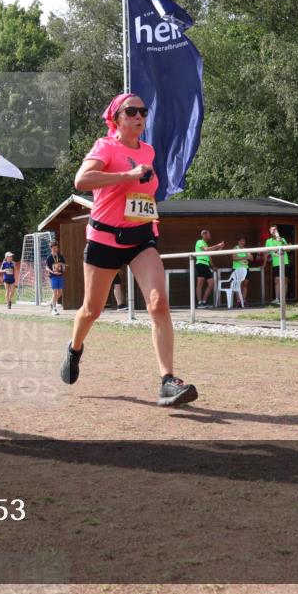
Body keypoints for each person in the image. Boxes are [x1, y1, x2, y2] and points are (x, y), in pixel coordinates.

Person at [60, 93, 198, 407]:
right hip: (104, 239)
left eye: (143, 111)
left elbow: (143, 194)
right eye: (131, 111)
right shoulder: (105, 146)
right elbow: (82, 180)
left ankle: (167, 381)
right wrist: (127, 175)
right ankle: (74, 348)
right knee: (92, 310)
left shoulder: (148, 150)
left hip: (141, 237)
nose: (139, 116)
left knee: (158, 303)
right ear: (116, 118)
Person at [194, 229, 225, 308]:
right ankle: (199, 303)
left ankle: (204, 302)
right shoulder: (199, 241)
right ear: (204, 235)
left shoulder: (206, 243)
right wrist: (218, 246)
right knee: (200, 284)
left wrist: (213, 266)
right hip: (200, 264)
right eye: (208, 234)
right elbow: (206, 249)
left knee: (211, 284)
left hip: (206, 265)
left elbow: (210, 255)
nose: (210, 235)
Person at [265, 224, 290, 305]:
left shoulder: (282, 239)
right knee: (277, 281)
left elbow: (288, 249)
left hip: (284, 262)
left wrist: (281, 240)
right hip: (276, 263)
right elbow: (267, 253)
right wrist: (265, 262)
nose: (274, 231)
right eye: (272, 230)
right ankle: (277, 299)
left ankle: (283, 299)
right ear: (270, 231)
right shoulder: (268, 241)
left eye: (275, 229)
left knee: (284, 280)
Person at [45, 240, 66, 315]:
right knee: (55, 292)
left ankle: (51, 303)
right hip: (53, 276)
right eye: (54, 248)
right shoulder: (49, 257)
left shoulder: (60, 256)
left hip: (60, 276)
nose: (55, 249)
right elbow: (46, 267)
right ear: (51, 248)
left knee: (60, 293)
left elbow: (63, 264)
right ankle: (54, 309)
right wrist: (52, 272)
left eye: (56, 248)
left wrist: (63, 268)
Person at [232, 236, 251, 305]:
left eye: (244, 241)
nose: (243, 242)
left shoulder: (246, 249)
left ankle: (244, 300)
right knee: (238, 285)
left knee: (245, 284)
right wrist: (245, 257)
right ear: (238, 241)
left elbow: (251, 258)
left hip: (245, 268)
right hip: (237, 269)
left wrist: (248, 256)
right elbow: (234, 258)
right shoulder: (235, 248)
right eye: (242, 241)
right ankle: (238, 301)